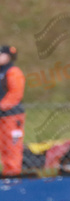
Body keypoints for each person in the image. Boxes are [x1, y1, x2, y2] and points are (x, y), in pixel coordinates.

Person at [0, 45, 25, 177]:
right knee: (3, 147)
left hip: (12, 117)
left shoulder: (13, 71)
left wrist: (2, 106)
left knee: (12, 147)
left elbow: (15, 94)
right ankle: (6, 174)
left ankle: (12, 176)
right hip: (1, 116)